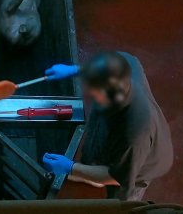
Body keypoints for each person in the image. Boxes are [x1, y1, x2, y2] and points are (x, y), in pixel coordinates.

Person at [41, 51, 174, 201]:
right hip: (120, 128)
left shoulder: (134, 134)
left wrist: (70, 167)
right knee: (97, 138)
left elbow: (115, 177)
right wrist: (74, 70)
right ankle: (89, 172)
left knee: (121, 198)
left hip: (142, 165)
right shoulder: (126, 63)